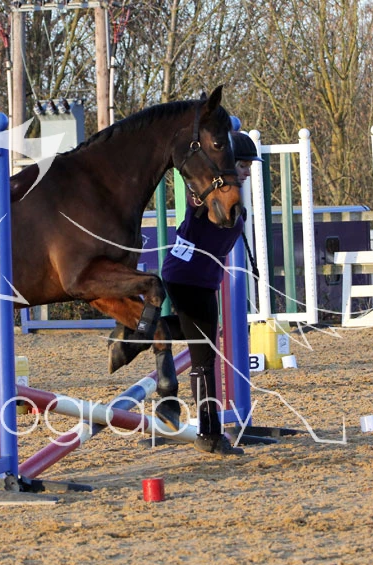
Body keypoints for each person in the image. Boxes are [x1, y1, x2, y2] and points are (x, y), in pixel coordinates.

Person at [108, 130, 262, 455]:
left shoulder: (228, 194)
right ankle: (209, 434)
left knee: (197, 337)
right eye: (243, 165)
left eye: (249, 166)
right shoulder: (208, 192)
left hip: (192, 277)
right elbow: (201, 198)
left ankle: (141, 333)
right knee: (204, 357)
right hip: (191, 279)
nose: (247, 172)